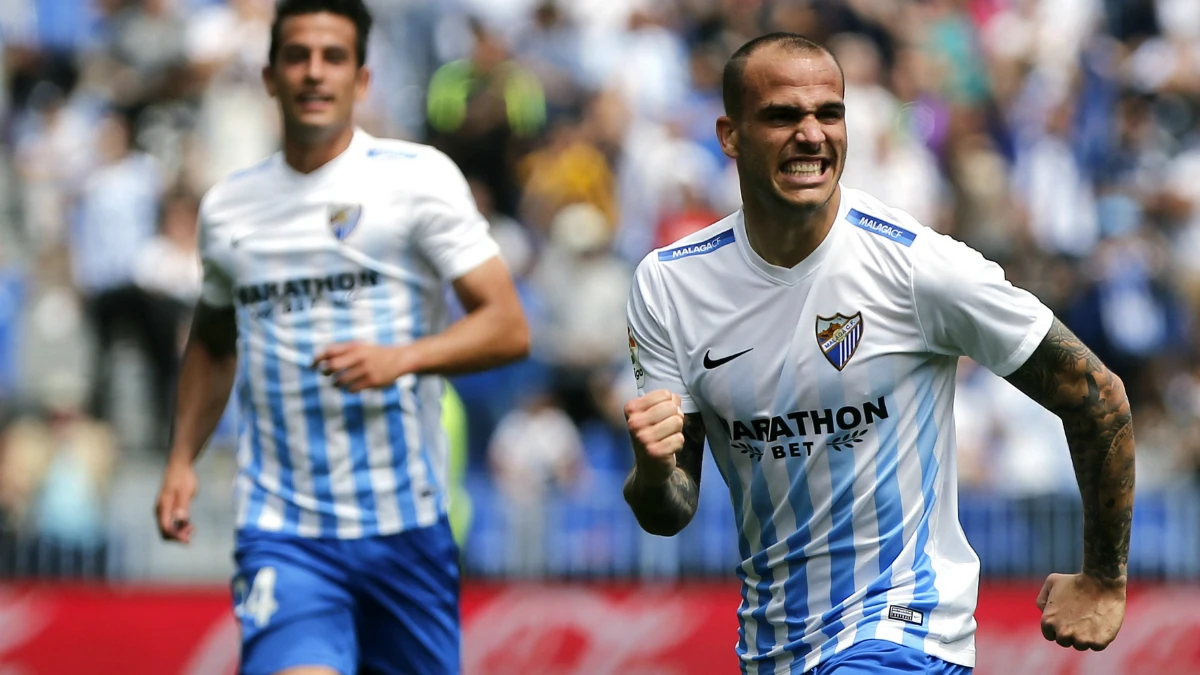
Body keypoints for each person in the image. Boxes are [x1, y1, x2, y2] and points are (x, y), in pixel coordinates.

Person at [622, 33, 1134, 674]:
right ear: (729, 135)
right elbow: (670, 510)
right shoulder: (669, 284)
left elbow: (1096, 393)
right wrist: (649, 471)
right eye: (783, 116)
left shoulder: (918, 266)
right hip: (771, 647)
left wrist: (1105, 578)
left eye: (828, 114)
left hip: (904, 634)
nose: (811, 135)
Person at [153, 2, 530, 674]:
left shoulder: (417, 179)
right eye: (297, 56)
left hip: (405, 526)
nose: (313, 72)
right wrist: (182, 456)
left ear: (361, 79)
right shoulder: (229, 208)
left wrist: (404, 358)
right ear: (270, 77)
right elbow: (214, 341)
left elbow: (507, 324)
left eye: (333, 57)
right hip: (283, 530)